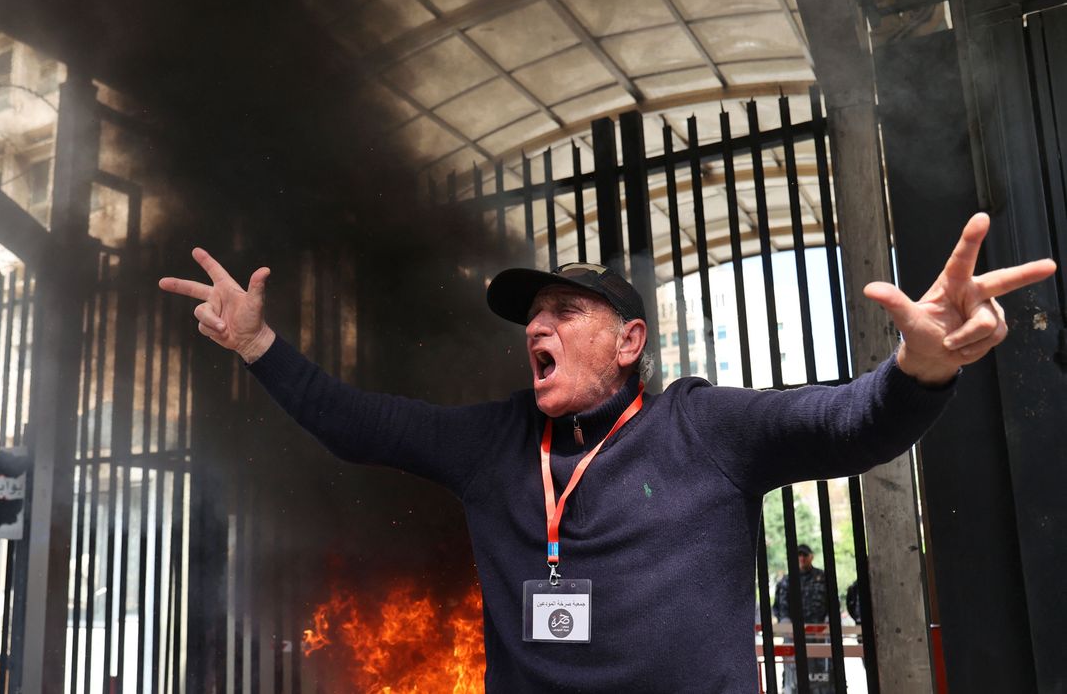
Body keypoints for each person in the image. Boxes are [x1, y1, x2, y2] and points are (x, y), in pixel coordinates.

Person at [159, 213, 1055, 691]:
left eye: (564, 313)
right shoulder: (490, 441)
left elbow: (849, 421)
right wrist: (257, 347)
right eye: (530, 318)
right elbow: (356, 423)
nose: (536, 328)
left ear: (629, 343)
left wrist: (922, 362)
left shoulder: (704, 427)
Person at [773, 544, 831, 693]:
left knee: (822, 675)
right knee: (794, 676)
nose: (802, 558)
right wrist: (787, 628)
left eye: (805, 555)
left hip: (819, 634)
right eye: (799, 555)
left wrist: (826, 627)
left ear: (811, 556)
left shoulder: (823, 578)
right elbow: (780, 608)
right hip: (794, 635)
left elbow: (832, 604)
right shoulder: (787, 580)